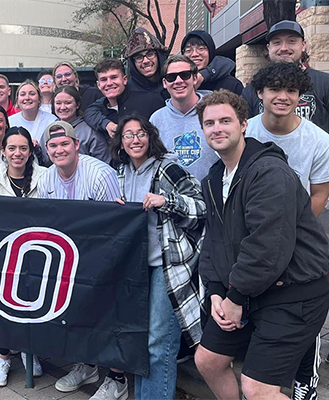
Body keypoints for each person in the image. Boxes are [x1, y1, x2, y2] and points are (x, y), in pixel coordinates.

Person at [194, 89, 329, 400]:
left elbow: (268, 247)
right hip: (247, 291)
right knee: (208, 360)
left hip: (293, 293)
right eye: (210, 123)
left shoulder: (268, 171)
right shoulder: (214, 178)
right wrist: (215, 289)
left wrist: (235, 297)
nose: (217, 128)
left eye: (225, 120)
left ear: (244, 124)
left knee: (257, 390)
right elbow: (213, 240)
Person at [243, 20, 329, 372]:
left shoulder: (327, 83)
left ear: (303, 45)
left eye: (291, 40)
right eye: (276, 42)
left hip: (321, 185)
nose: (284, 47)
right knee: (276, 259)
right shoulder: (255, 90)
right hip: (271, 193)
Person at [110, 116, 205, 400]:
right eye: (128, 135)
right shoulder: (120, 172)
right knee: (140, 340)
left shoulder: (169, 168)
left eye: (140, 134)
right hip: (134, 269)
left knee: (159, 341)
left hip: (168, 265)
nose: (135, 140)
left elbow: (201, 208)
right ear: (121, 143)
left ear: (150, 137)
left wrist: (168, 202)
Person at [38, 122, 124, 400]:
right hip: (70, 258)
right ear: (47, 150)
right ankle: (88, 366)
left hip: (105, 256)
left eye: (65, 143)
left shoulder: (99, 174)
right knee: (71, 312)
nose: (59, 149)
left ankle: (117, 378)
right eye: (53, 145)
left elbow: (116, 226)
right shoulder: (47, 178)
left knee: (107, 315)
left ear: (77, 145)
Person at [0, 127, 48, 386]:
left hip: (40, 254)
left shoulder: (46, 177)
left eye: (23, 148)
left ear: (30, 151)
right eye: (12, 148)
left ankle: (30, 351)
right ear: (4, 151)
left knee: (36, 304)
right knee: (6, 304)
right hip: (8, 255)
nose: (17, 153)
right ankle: (5, 355)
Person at [150, 54, 218, 180]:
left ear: (195, 78)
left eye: (185, 75)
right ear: (165, 83)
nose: (178, 81)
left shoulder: (215, 111)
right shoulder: (156, 119)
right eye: (171, 77)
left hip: (212, 195)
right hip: (170, 197)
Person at [83, 58, 165, 142]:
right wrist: (107, 124)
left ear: (125, 79)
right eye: (104, 79)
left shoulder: (149, 101)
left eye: (114, 77)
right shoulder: (100, 109)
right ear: (98, 85)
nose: (109, 83)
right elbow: (88, 112)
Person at [52, 85, 110, 163]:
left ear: (77, 105)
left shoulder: (90, 131)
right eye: (58, 103)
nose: (62, 107)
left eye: (68, 103)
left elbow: (103, 162)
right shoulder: (50, 128)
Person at [8, 80, 58, 164]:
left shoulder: (52, 121)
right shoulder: (10, 121)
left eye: (32, 94)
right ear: (17, 100)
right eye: (23, 94)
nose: (27, 98)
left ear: (39, 99)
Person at [122, 27, 169, 98]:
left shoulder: (173, 84)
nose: (145, 61)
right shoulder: (125, 93)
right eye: (138, 57)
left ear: (159, 56)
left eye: (150, 54)